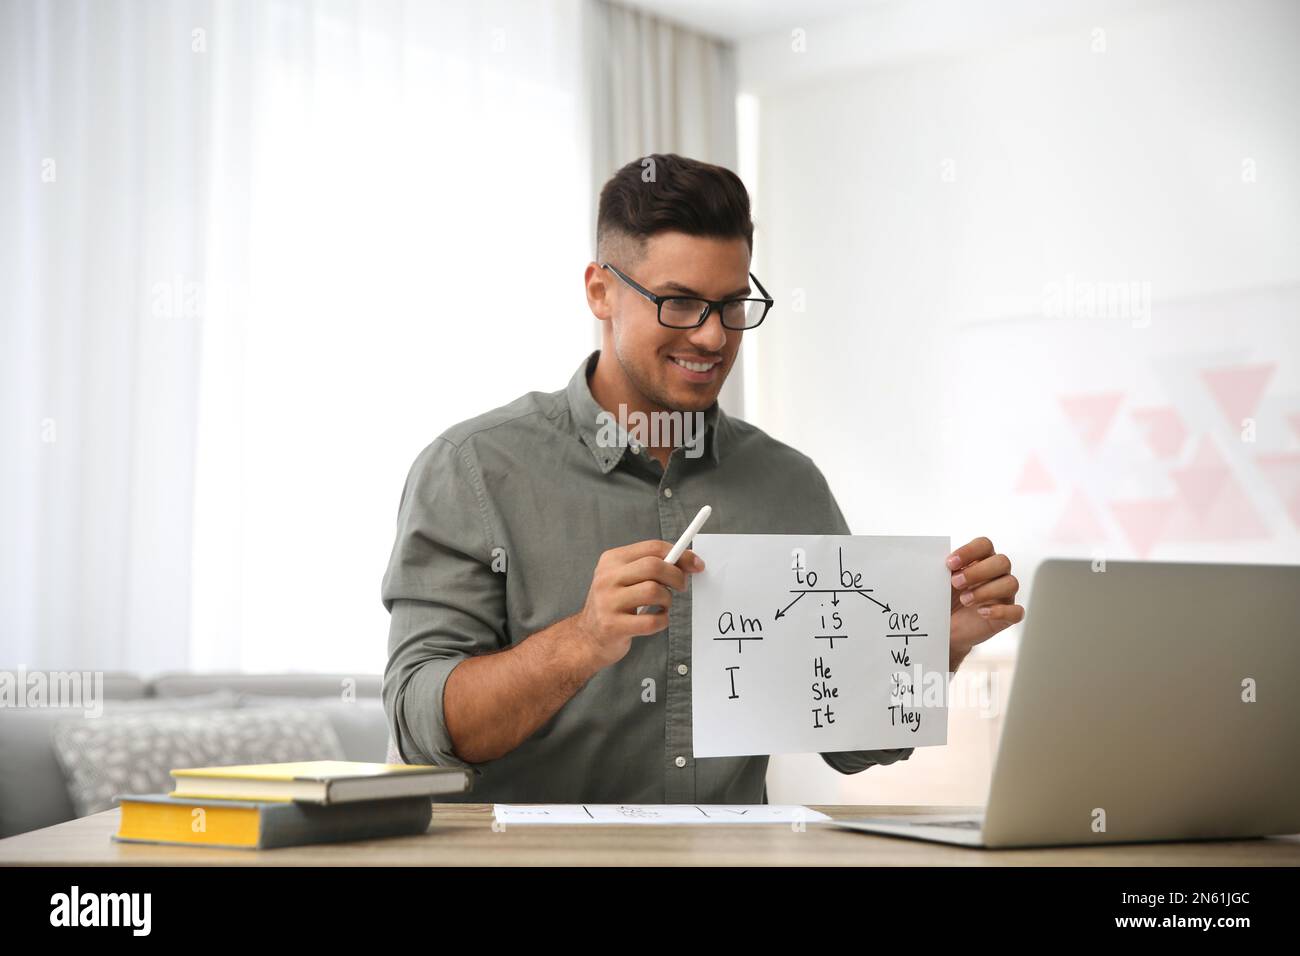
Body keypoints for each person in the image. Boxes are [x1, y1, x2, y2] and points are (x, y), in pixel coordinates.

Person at [381, 153, 1024, 803]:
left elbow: (853, 742)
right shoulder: (473, 470)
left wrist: (932, 650)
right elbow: (418, 726)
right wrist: (582, 640)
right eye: (680, 303)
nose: (714, 337)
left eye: (732, 303)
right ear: (600, 291)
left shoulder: (789, 483)